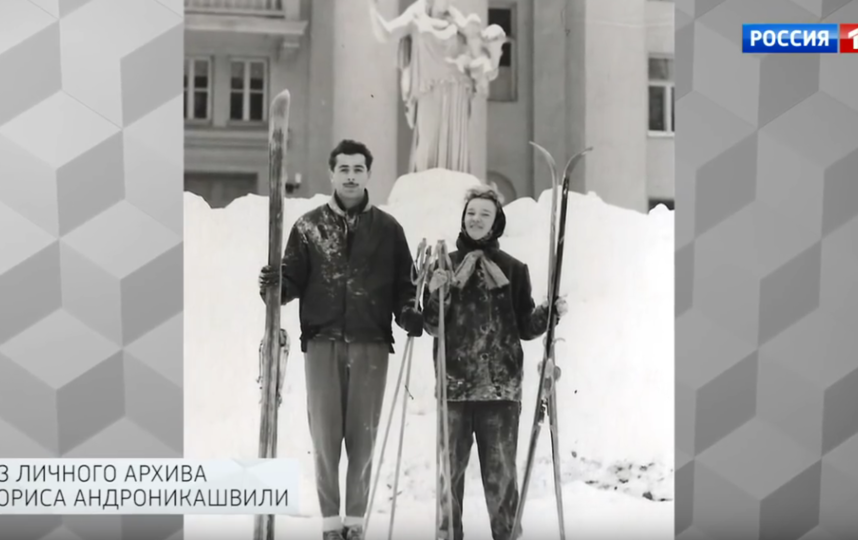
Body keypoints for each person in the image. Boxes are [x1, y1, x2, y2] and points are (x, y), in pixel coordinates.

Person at [258, 139, 425, 540]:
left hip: (371, 342)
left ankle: (355, 523)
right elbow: (289, 284)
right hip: (321, 342)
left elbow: (404, 286)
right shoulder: (308, 226)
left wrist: (408, 314)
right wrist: (273, 286)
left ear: (369, 174)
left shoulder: (389, 230)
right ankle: (331, 525)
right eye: (343, 169)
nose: (350, 176)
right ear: (331, 174)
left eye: (358, 169)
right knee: (326, 440)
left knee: (363, 441)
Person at [422, 185, 568, 540]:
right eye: (471, 213)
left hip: (501, 393)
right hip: (454, 389)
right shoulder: (443, 265)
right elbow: (430, 324)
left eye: (484, 214)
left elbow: (525, 326)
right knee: (448, 481)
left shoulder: (514, 269)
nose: (476, 219)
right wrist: (433, 293)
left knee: (501, 482)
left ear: (496, 222)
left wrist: (549, 314)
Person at [368, 0, 505, 173]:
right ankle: (424, 188)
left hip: (457, 89)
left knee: (454, 146)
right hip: (428, 89)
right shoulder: (417, 15)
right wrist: (373, 8)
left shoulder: (456, 19)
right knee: (428, 142)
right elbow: (386, 33)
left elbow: (477, 54)